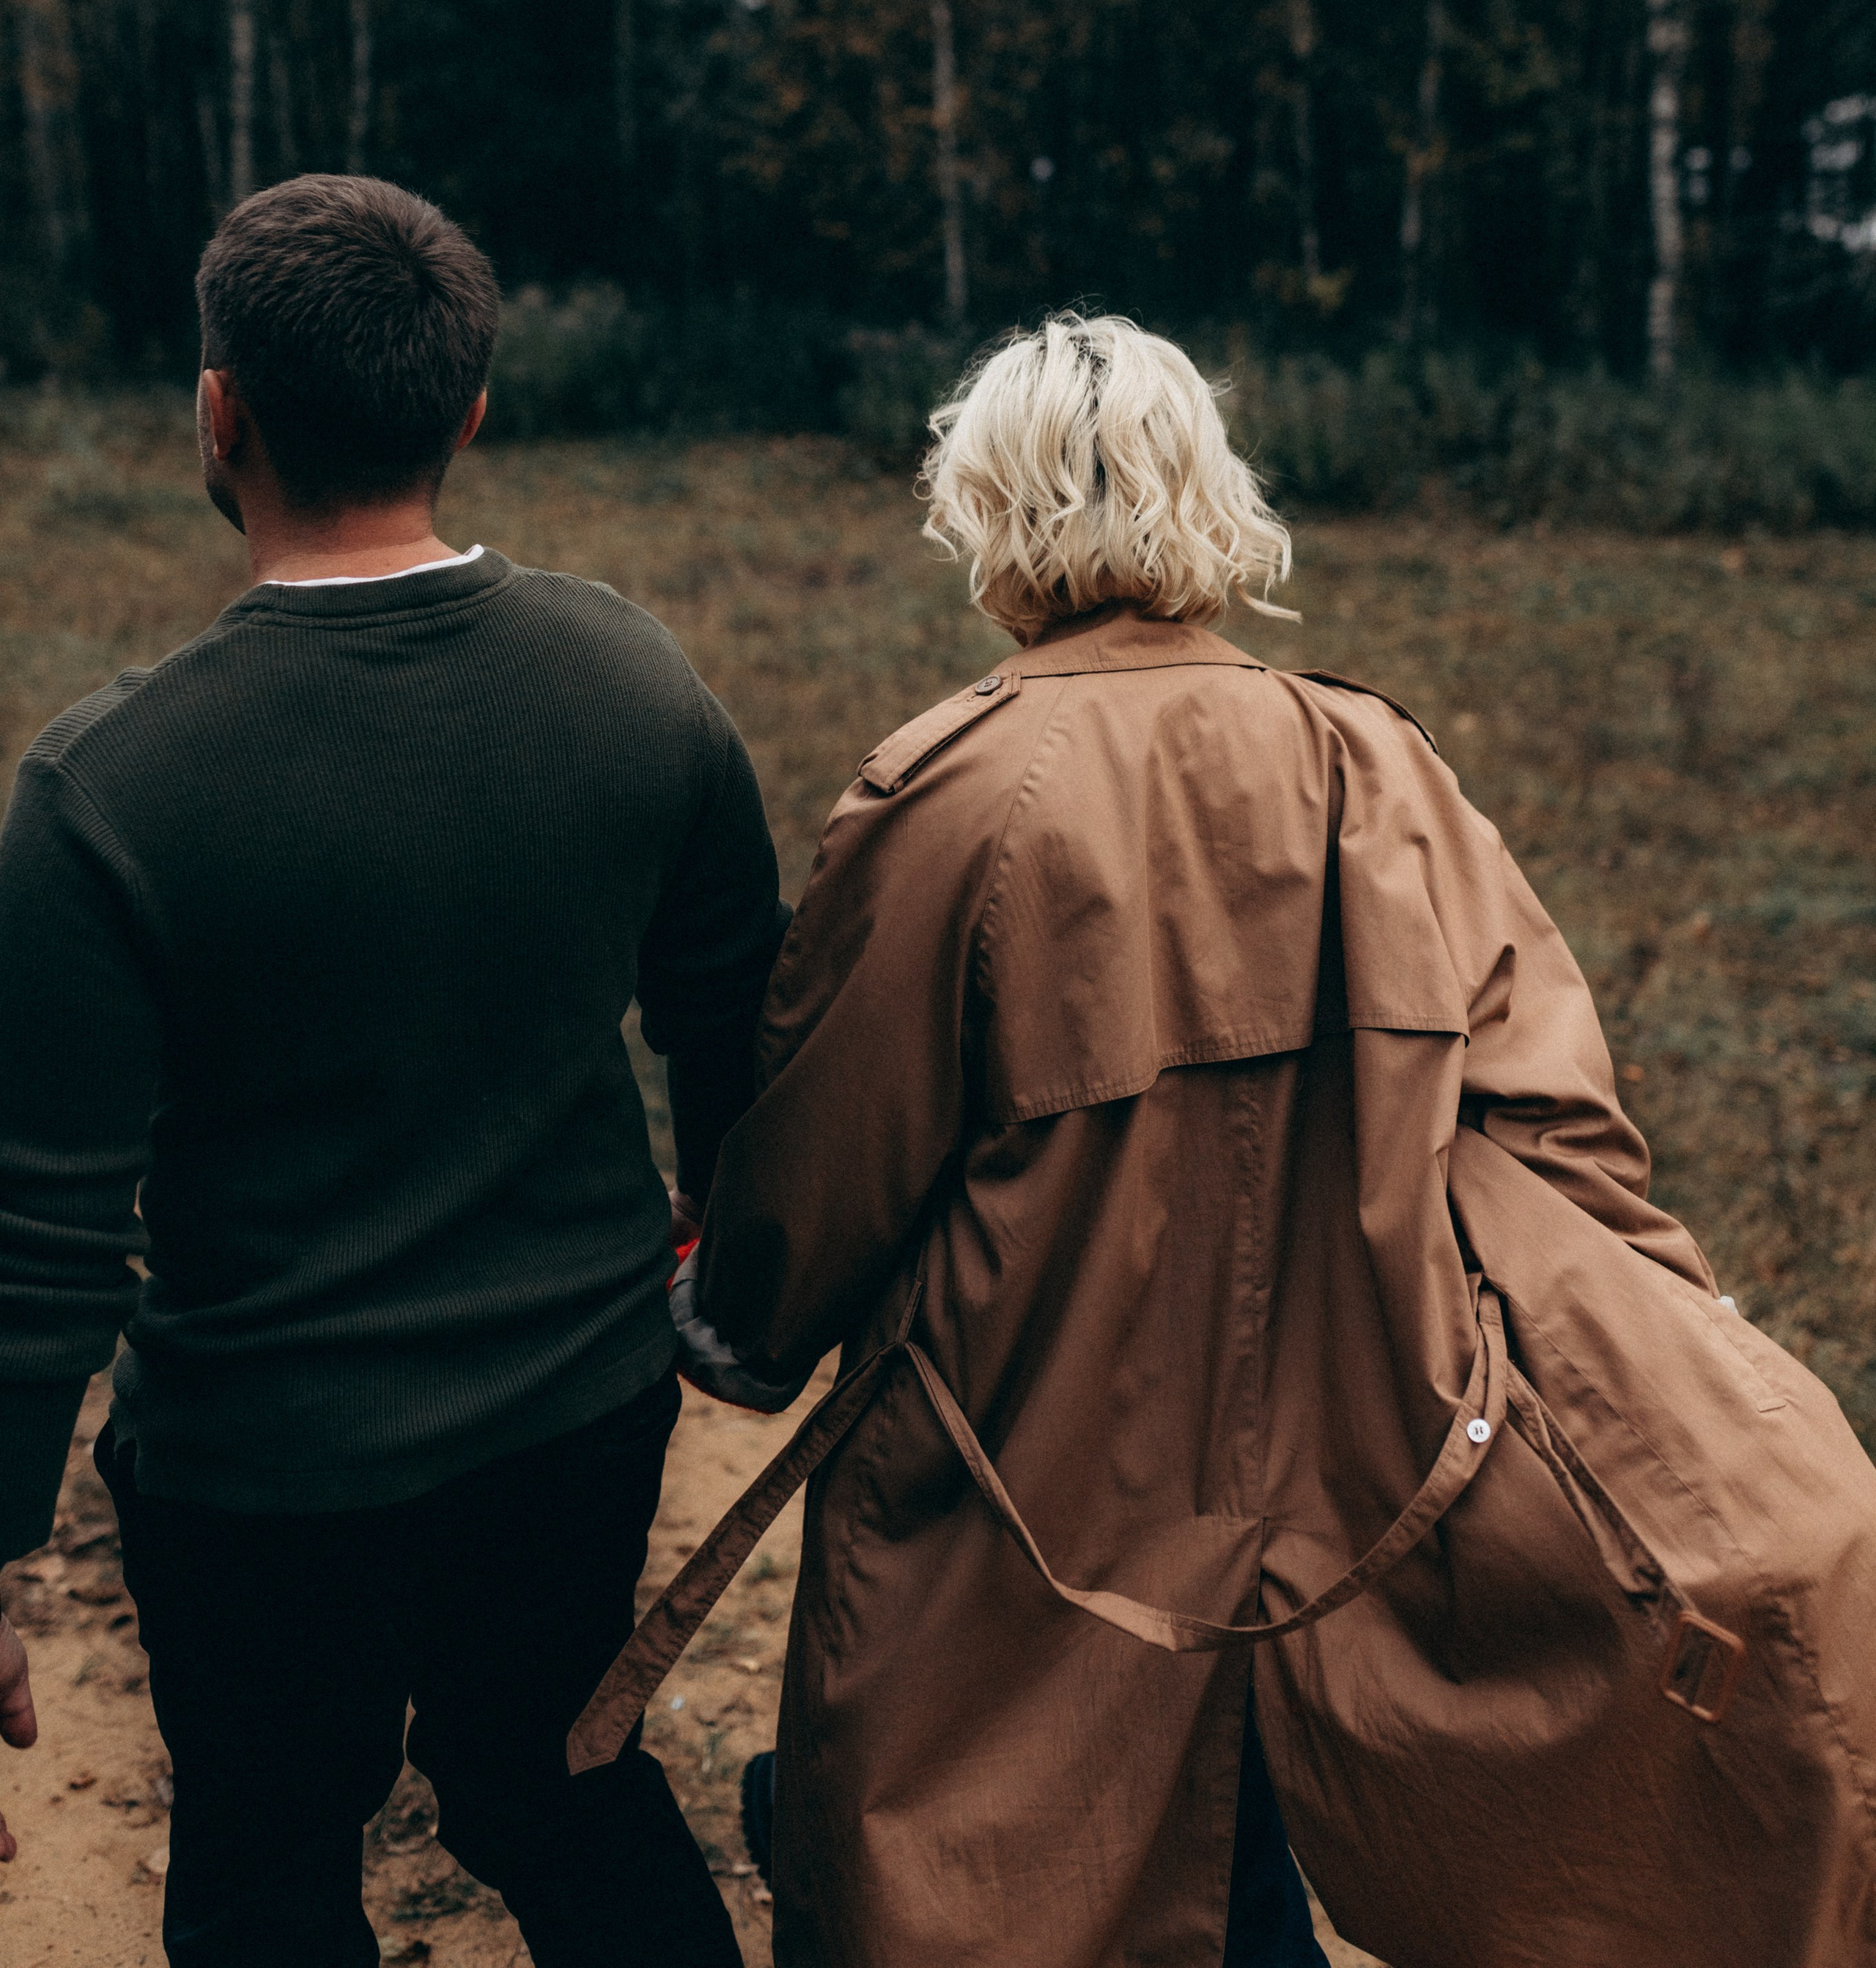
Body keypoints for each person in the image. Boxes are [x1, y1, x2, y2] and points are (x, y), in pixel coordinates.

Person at [641, 312, 1728, 1968]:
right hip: (1333, 1451)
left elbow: (818, 1170)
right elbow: (1555, 1124)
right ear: (1208, 499)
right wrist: (1675, 1371)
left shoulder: (947, 792)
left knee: (968, 1872)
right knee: (1237, 1848)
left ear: (985, 508)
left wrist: (733, 1331)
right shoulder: (1377, 764)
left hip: (1009, 1465)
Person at [0, 175, 784, 1967]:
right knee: (557, 1785)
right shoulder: (633, 679)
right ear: (471, 408)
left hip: (260, 1477)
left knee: (269, 1858)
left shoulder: (104, 789)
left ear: (220, 409)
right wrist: (723, 1240)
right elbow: (733, 1008)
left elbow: (36, 1236)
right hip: (580, 1418)